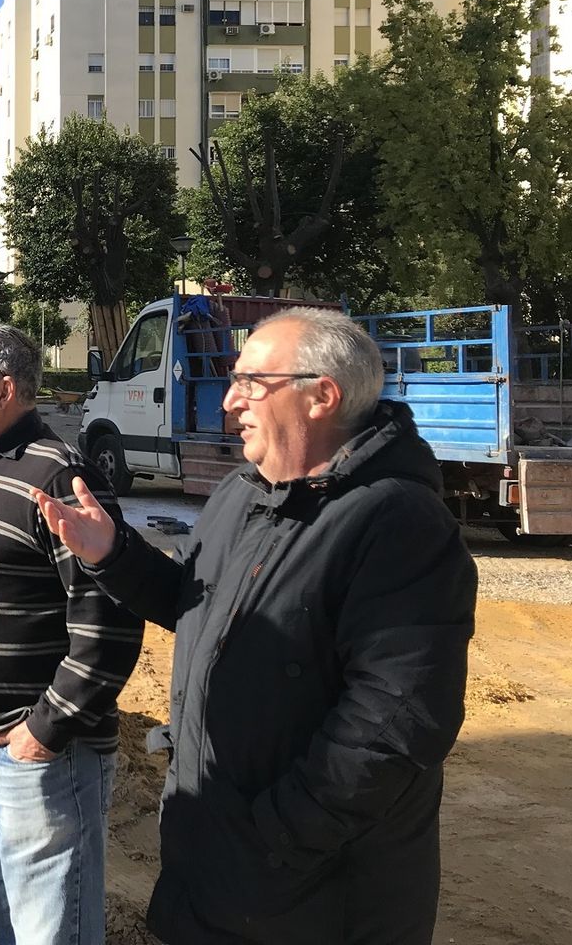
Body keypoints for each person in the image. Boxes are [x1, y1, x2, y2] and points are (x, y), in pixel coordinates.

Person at [37, 307, 477, 945]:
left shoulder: (400, 524)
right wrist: (114, 553)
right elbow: (195, 602)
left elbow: (393, 726)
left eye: (250, 383)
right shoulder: (244, 494)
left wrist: (270, 838)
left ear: (321, 396)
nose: (228, 401)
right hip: (213, 864)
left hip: (316, 897)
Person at [0, 323, 144, 945]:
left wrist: (46, 731)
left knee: (51, 934)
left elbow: (110, 620)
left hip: (36, 762)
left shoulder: (57, 476)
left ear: (4, 389)